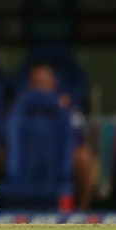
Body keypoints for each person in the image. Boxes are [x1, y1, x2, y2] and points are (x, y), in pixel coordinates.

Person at [25, 61, 98, 211]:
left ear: (53, 83)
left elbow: (76, 139)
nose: (41, 87)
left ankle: (84, 211)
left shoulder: (66, 105)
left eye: (44, 82)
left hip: (58, 157)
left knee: (84, 157)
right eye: (36, 83)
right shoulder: (21, 107)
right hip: (28, 156)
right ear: (30, 85)